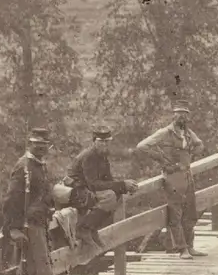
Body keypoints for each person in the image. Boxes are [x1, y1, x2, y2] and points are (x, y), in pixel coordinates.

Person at [0, 128, 55, 275]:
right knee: (42, 272)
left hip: (40, 224)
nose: (41, 148)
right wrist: (13, 228)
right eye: (36, 144)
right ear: (29, 144)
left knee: (35, 272)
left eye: (44, 145)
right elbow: (11, 199)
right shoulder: (23, 168)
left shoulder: (40, 166)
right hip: (27, 227)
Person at [136, 106, 205, 257]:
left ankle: (190, 246)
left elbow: (200, 144)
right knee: (176, 213)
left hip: (187, 175)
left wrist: (192, 154)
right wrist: (161, 159)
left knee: (190, 212)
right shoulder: (165, 132)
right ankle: (182, 249)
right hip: (173, 177)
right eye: (179, 115)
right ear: (173, 117)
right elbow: (142, 146)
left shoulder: (187, 132)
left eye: (185, 115)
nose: (182, 118)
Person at [68, 126, 137, 264]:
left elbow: (108, 180)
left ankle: (92, 229)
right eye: (101, 141)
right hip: (76, 191)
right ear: (94, 141)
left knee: (116, 196)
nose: (105, 144)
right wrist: (122, 184)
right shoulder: (89, 156)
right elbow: (93, 184)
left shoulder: (103, 156)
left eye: (107, 142)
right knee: (110, 197)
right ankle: (83, 228)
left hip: (88, 190)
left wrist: (125, 187)